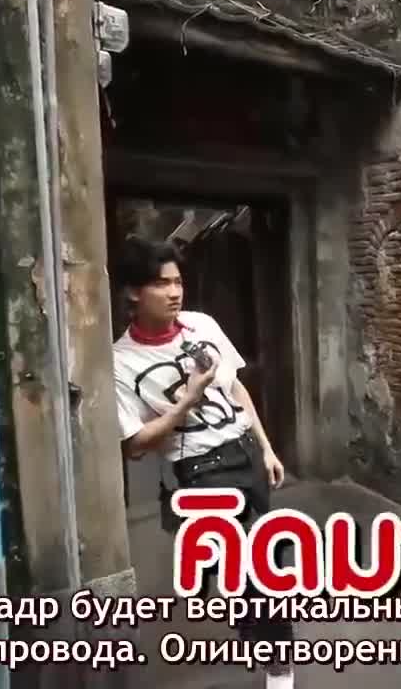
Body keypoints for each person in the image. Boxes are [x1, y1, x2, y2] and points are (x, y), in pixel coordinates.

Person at [111, 236, 295, 689]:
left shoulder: (202, 325)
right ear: (133, 292)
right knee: (255, 567)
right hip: (200, 471)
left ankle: (255, 631)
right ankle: (280, 667)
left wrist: (266, 447)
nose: (174, 292)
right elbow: (135, 444)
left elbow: (235, 388)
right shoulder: (120, 362)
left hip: (245, 454)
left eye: (178, 282)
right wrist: (187, 401)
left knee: (253, 560)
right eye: (161, 284)